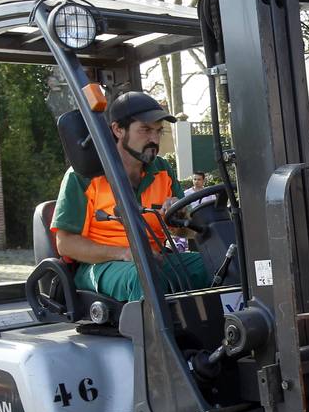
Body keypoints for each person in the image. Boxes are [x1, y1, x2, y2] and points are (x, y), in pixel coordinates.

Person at [50, 92, 211, 302]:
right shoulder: (83, 176)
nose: (154, 139)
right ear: (118, 130)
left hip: (157, 259)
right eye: (145, 130)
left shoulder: (162, 170)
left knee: (221, 264)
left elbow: (186, 231)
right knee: (145, 276)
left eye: (158, 131)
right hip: (100, 266)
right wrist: (125, 253)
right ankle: (157, 334)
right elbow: (66, 244)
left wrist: (180, 216)